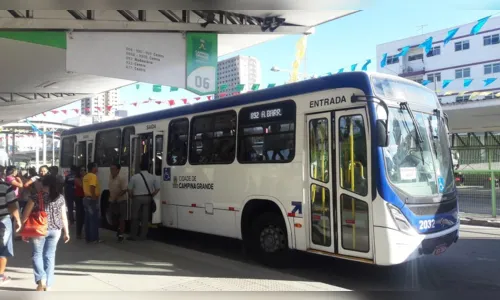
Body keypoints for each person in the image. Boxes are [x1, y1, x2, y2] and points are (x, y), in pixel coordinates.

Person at [21, 175, 70, 291]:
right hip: (56, 230)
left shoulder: (35, 197)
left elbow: (25, 215)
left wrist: (23, 231)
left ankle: (41, 279)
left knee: (37, 254)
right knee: (50, 256)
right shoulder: (60, 197)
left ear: (43, 184)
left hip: (39, 230)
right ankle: (48, 284)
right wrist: (66, 232)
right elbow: (64, 217)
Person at [128, 159, 160, 241]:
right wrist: (151, 195)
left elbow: (130, 190)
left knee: (135, 217)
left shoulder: (134, 177)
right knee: (145, 218)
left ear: (140, 167)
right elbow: (157, 188)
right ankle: (143, 236)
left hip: (137, 198)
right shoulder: (153, 177)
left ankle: (133, 235)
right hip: (148, 198)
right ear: (149, 167)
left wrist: (131, 196)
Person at [0, 169, 21, 285]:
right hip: (3, 220)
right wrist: (18, 220)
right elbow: (12, 205)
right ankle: (0, 276)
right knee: (3, 248)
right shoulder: (6, 187)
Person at [83, 162, 103, 244]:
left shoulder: (86, 176)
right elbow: (92, 187)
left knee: (88, 219)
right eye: (96, 167)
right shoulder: (93, 176)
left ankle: (88, 238)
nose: (97, 169)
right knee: (94, 219)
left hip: (86, 199)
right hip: (92, 200)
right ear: (93, 168)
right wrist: (94, 198)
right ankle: (94, 238)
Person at [108, 163, 128, 242]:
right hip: (112, 201)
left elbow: (124, 190)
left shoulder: (122, 178)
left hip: (121, 201)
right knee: (113, 217)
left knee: (121, 218)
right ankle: (118, 228)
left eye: (113, 169)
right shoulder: (110, 176)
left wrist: (116, 197)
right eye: (111, 169)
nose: (111, 171)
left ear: (118, 170)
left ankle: (121, 234)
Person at [74, 166, 86, 240]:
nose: (83, 171)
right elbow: (82, 185)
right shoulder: (77, 179)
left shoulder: (84, 178)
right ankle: (78, 233)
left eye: (84, 170)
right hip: (79, 198)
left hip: (84, 197)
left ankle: (82, 232)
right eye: (81, 170)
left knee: (84, 215)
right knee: (79, 215)